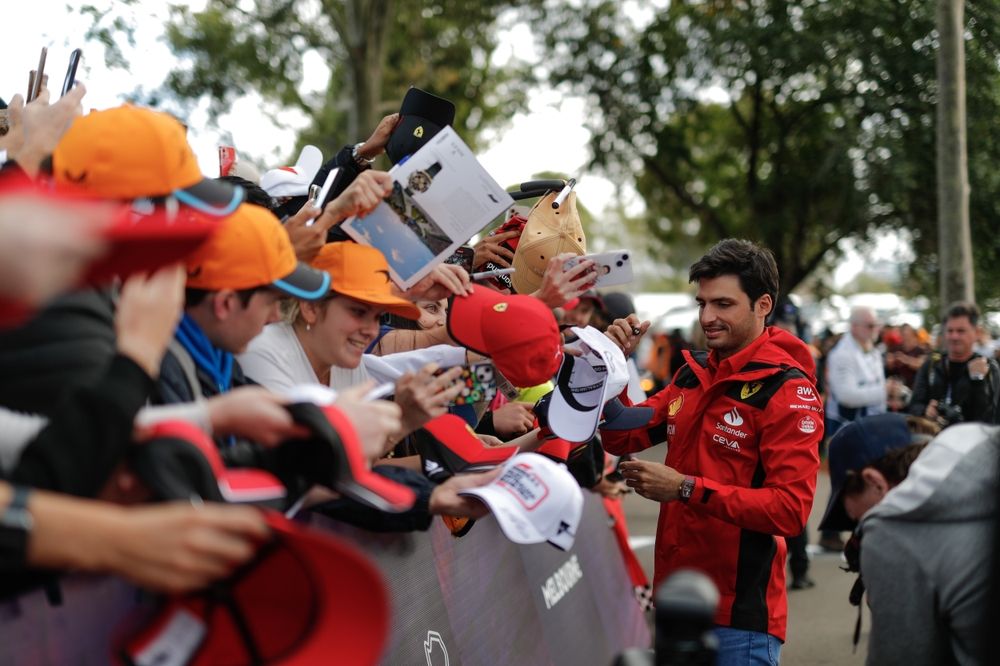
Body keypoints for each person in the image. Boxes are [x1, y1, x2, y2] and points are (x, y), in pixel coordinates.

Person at [603, 239, 822, 665]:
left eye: (723, 304)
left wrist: (685, 488)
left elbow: (791, 510)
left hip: (738, 620)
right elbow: (619, 436)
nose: (707, 317)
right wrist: (608, 363)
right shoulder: (694, 371)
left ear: (763, 305)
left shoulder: (787, 389)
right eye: (702, 303)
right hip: (675, 603)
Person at [855, 422, 997, 665]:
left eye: (855, 522)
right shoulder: (975, 445)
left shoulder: (892, 533)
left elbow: (902, 655)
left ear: (875, 482)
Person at [908, 301, 1000, 426]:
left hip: (972, 441)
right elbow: (914, 405)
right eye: (950, 331)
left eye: (961, 331)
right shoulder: (932, 365)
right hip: (936, 441)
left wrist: (977, 381)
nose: (954, 336)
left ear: (976, 333)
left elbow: (990, 418)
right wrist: (926, 411)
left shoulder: (988, 367)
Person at [824, 306, 887, 431]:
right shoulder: (842, 354)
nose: (875, 329)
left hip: (870, 424)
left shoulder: (874, 351)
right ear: (854, 327)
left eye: (877, 324)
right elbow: (846, 396)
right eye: (870, 325)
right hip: (846, 427)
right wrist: (885, 392)